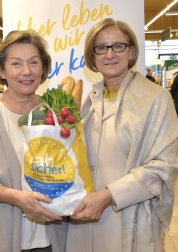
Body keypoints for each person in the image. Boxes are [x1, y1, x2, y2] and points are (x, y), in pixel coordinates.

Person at [66, 18, 178, 252]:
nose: (109, 54)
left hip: (129, 216)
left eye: (118, 46)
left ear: (131, 51)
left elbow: (164, 167)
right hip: (85, 217)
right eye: (101, 47)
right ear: (93, 56)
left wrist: (108, 196)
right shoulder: (89, 99)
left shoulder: (156, 99)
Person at [0, 30, 63, 252]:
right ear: (2, 70)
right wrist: (16, 198)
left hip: (51, 235)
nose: (26, 71)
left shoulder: (54, 111)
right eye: (16, 63)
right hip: (1, 235)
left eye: (34, 62)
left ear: (43, 69)